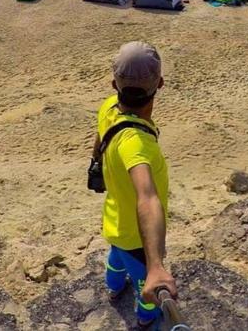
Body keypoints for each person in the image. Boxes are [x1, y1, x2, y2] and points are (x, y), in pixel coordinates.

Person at [93, 42, 176, 328]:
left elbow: (100, 135)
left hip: (114, 220)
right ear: (160, 84)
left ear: (114, 83)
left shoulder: (108, 107)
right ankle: (144, 318)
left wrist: (95, 164)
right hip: (137, 238)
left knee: (116, 258)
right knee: (144, 281)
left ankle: (114, 288)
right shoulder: (137, 145)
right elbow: (147, 197)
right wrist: (156, 267)